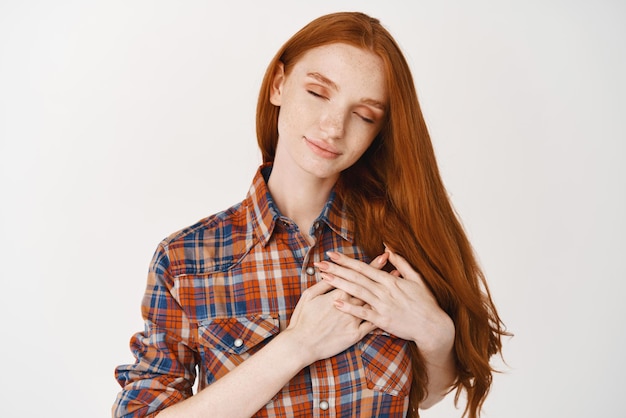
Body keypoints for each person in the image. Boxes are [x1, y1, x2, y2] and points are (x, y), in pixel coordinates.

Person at [113, 11, 507, 418]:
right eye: (319, 93)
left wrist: (435, 333)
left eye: (364, 114)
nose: (333, 126)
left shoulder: (397, 246)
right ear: (279, 85)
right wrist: (296, 346)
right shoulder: (186, 259)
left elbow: (423, 396)